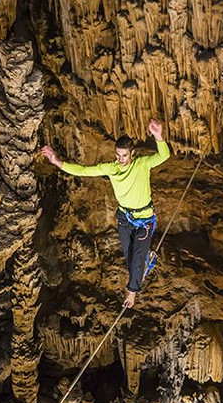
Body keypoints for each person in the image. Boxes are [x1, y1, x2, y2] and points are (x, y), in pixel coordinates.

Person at [41, 120, 170, 308]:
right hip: (125, 218)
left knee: (137, 259)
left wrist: (158, 136)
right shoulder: (111, 168)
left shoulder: (142, 164)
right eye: (118, 155)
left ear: (132, 154)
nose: (121, 159)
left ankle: (132, 291)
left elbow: (164, 156)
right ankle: (142, 266)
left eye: (124, 155)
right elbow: (84, 171)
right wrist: (58, 162)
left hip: (144, 220)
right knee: (129, 257)